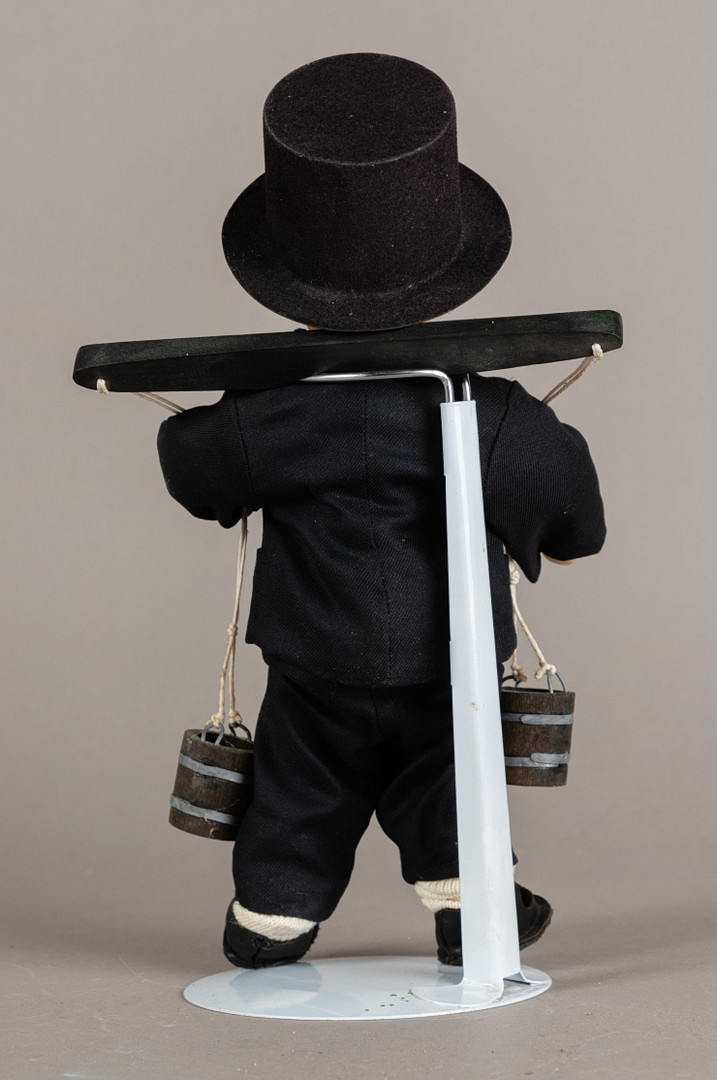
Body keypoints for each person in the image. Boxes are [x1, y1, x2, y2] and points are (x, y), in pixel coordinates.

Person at [157, 53, 606, 969]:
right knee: (449, 779)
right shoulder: (493, 414)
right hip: (450, 657)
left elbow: (193, 468)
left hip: (312, 653)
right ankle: (468, 909)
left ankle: (271, 916)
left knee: (300, 783)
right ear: (449, 279)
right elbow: (568, 504)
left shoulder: (265, 418)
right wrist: (560, 536)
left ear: (287, 287)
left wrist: (230, 431)